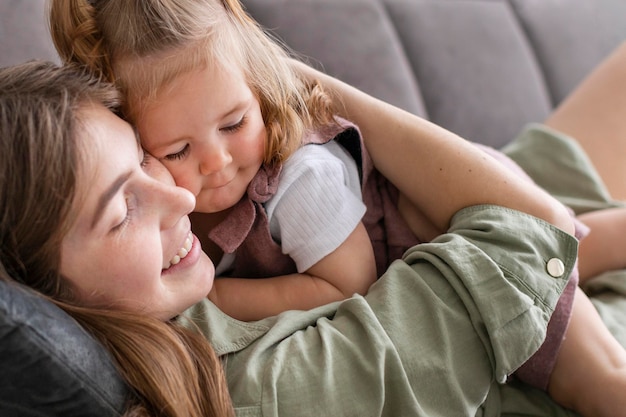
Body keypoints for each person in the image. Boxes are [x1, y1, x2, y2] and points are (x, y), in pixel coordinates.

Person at [2, 53, 626, 417]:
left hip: (486, 201)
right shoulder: (260, 388)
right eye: (121, 214)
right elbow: (529, 235)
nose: (182, 196)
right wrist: (292, 82)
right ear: (47, 292)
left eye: (143, 157)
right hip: (542, 292)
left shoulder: (180, 282)